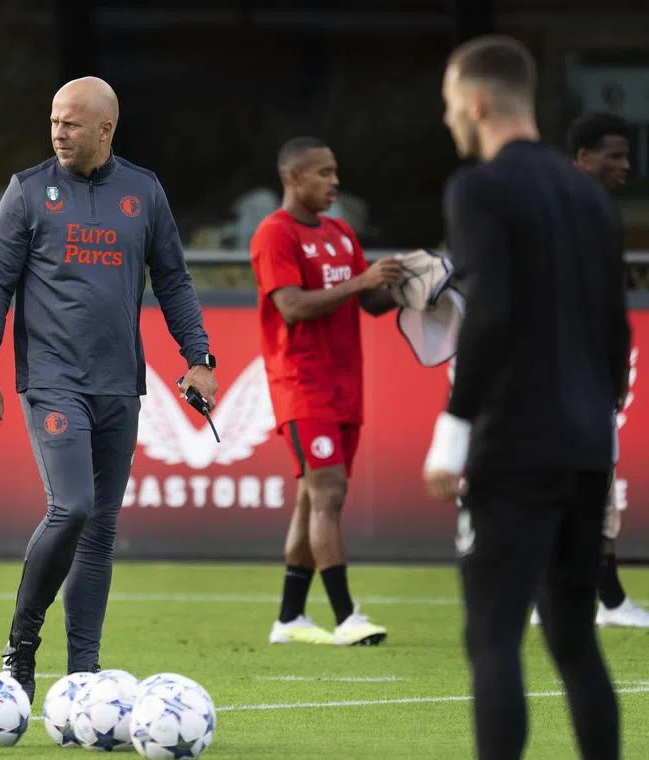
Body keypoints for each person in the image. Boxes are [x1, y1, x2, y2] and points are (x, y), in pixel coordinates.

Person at [0, 76, 216, 702]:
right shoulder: (27, 192)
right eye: (54, 120)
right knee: (71, 508)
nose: (58, 132)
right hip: (53, 381)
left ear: (105, 129)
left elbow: (175, 281)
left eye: (72, 123)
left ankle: (83, 673)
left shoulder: (144, 191)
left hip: (119, 386)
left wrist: (200, 357)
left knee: (101, 529)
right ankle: (22, 646)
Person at [424, 36, 626, 760]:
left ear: (476, 104)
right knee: (574, 639)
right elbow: (616, 333)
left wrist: (454, 430)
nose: (450, 120)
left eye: (450, 106)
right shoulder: (588, 195)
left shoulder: (478, 188)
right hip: (583, 445)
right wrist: (599, 429)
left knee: (493, 636)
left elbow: (492, 312)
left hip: (516, 445)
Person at [251, 137, 400, 647]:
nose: (335, 182)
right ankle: (346, 616)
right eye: (324, 173)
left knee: (312, 501)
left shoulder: (339, 233)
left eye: (335, 172)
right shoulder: (275, 234)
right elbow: (292, 306)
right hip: (302, 382)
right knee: (329, 494)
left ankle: (290, 619)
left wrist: (415, 282)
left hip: (344, 383)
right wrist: (362, 284)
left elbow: (373, 302)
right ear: (293, 178)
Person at [530, 111, 647, 629]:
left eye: (627, 155)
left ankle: (580, 596)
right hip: (563, 373)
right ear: (582, 158)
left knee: (583, 484)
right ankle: (601, 599)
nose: (626, 166)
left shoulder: (592, 208)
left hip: (583, 372)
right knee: (578, 484)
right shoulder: (566, 208)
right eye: (614, 155)